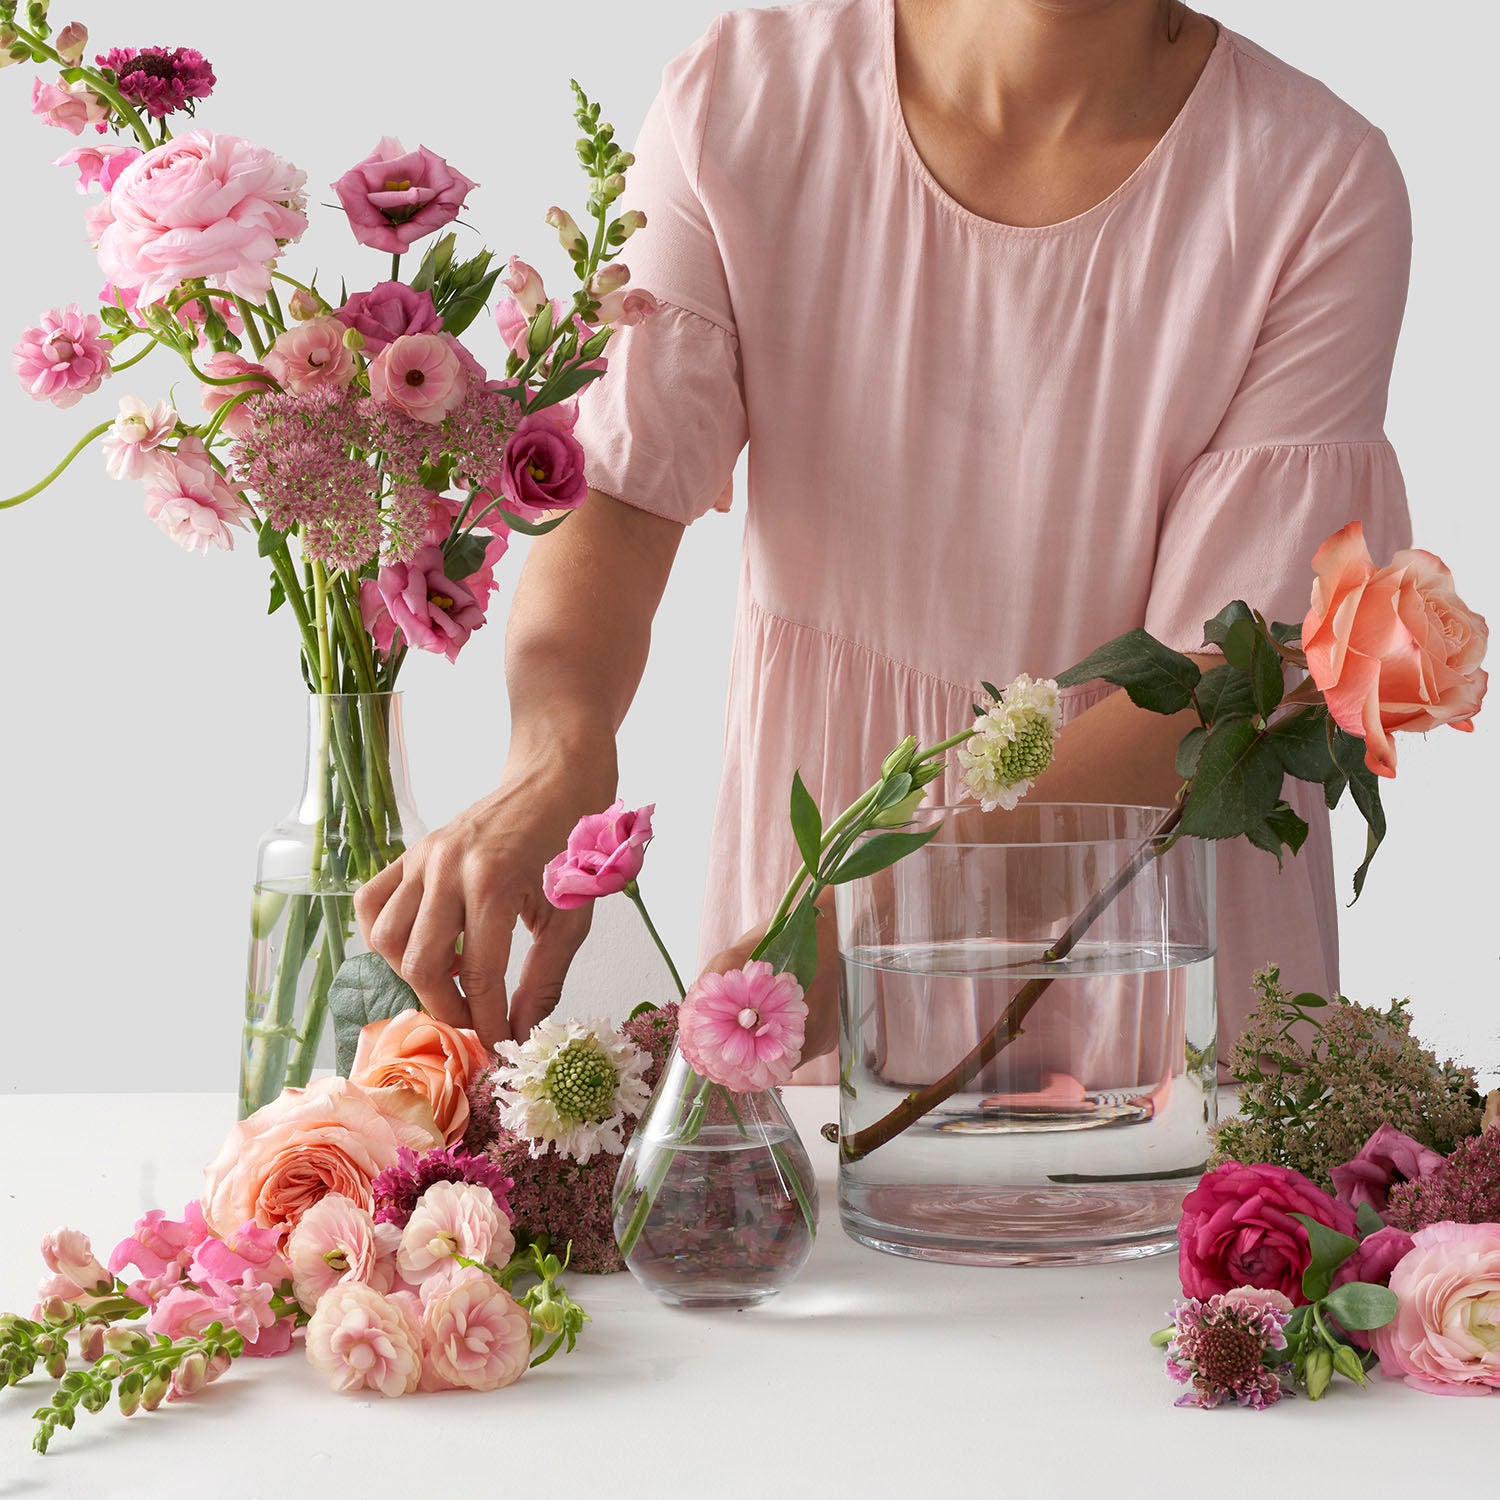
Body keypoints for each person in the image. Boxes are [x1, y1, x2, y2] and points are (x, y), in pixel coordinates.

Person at [355, 0, 1412, 1084]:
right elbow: (621, 491)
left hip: (1155, 961)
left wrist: (879, 914)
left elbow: (1215, 684)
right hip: (819, 933)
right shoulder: (744, 99)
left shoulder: (1315, 183)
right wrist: (556, 752)